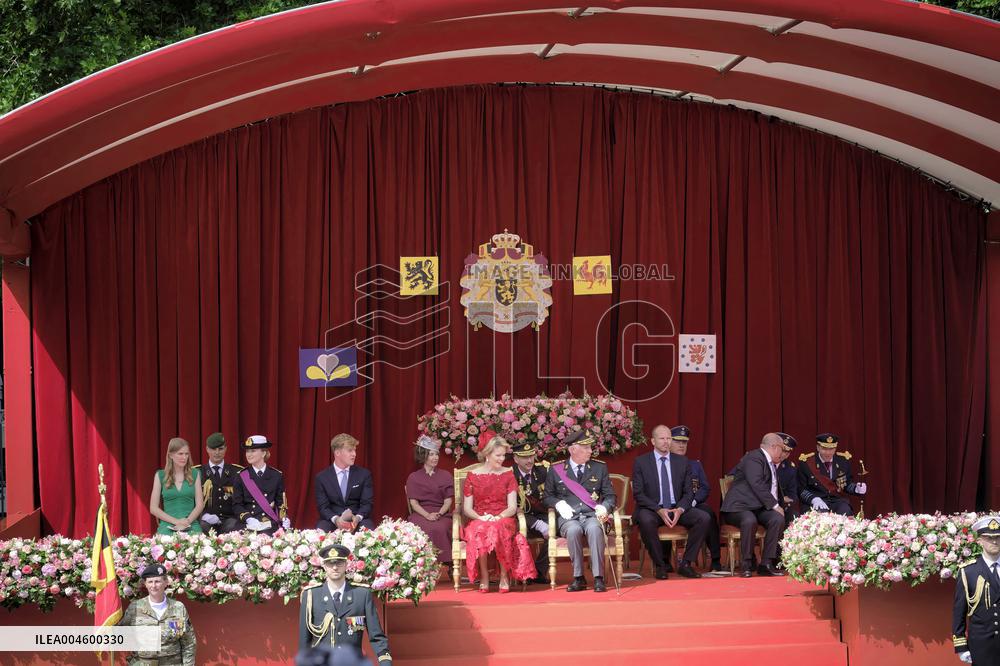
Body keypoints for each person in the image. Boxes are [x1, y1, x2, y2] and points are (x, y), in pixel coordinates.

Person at [631, 425, 710, 580]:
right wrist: (658, 510)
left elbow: (689, 492)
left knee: (703, 517)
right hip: (652, 508)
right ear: (653, 441)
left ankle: (686, 564)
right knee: (645, 520)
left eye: (669, 438)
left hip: (676, 508)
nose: (666, 442)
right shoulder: (641, 462)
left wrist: (680, 509)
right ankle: (661, 565)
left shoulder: (682, 461)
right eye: (662, 438)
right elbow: (638, 494)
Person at [462, 430, 537, 592]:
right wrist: (481, 517)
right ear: (487, 454)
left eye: (503, 455)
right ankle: (484, 576)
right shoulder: (472, 475)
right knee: (480, 529)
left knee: (499, 528)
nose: (502, 459)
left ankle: (504, 575)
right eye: (498, 455)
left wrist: (499, 516)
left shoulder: (508, 474)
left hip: (504, 517)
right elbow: (467, 508)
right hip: (479, 517)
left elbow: (512, 506)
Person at [544, 429, 616, 593]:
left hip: (592, 514)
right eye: (586, 447)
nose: (590, 451)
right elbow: (547, 497)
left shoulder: (599, 468)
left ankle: (598, 578)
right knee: (574, 530)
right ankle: (578, 578)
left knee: (594, 528)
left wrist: (604, 507)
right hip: (569, 518)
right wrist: (558, 503)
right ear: (573, 449)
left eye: (590, 447)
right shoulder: (556, 469)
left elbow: (610, 495)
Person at [299, 544, 392, 664]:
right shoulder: (311, 596)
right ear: (324, 566)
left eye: (339, 563)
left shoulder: (361, 595)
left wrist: (385, 662)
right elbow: (304, 641)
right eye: (330, 564)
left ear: (346, 565)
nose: (335, 567)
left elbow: (377, 636)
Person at [720, 432, 792, 577]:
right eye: (782, 449)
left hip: (758, 507)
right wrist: (775, 505)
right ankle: (746, 564)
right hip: (738, 507)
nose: (783, 453)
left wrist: (779, 505)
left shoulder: (770, 462)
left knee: (777, 519)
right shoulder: (754, 457)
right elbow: (756, 483)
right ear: (774, 447)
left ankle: (766, 563)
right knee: (749, 520)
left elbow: (772, 487)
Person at [664, 425, 724, 573]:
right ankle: (664, 560)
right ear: (669, 443)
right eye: (678, 441)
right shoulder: (663, 464)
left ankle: (715, 559)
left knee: (708, 513)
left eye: (684, 442)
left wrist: (692, 501)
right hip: (671, 506)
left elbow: (705, 488)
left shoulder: (695, 465)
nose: (681, 445)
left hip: (693, 505)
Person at [118, 563, 196, 665]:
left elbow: (188, 643)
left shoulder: (178, 608)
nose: (153, 586)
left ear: (165, 582)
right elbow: (121, 633)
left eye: (158, 581)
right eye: (150, 582)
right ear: (145, 584)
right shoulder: (135, 608)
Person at [952, 515, 1000, 664]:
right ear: (979, 541)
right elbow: (959, 612)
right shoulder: (968, 571)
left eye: (998, 537)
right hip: (981, 646)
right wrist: (961, 646)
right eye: (988, 537)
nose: (994, 541)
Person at [405, 435, 453, 566]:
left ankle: (444, 562)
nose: (435, 458)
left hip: (441, 513)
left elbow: (448, 501)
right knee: (424, 527)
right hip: (421, 513)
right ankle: (423, 564)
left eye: (436, 454)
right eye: (431, 454)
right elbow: (413, 503)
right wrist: (427, 515)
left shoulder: (446, 475)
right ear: (424, 456)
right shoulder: (413, 477)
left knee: (440, 527)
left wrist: (439, 514)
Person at [316, 434, 375, 532]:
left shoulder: (364, 474)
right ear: (337, 452)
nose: (354, 454)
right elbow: (323, 507)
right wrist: (337, 520)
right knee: (321, 530)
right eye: (350, 450)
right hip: (333, 520)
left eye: (355, 450)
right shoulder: (322, 477)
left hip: (358, 519)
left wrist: (357, 518)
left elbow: (367, 504)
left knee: (368, 530)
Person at [232, 435, 290, 535]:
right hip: (248, 523)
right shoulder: (241, 476)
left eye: (253, 451)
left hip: (269, 523)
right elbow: (237, 505)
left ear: (263, 453)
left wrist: (284, 518)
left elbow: (280, 503)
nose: (248, 454)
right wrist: (249, 518)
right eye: (247, 451)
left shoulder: (276, 475)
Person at [797, 433, 866, 516]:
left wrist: (856, 488)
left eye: (831, 449)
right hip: (817, 500)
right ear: (818, 447)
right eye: (824, 449)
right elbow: (801, 489)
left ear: (835, 448)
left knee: (845, 511)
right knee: (822, 516)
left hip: (837, 500)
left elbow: (846, 484)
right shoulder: (807, 462)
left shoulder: (843, 461)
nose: (828, 453)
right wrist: (813, 499)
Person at [511, 440, 550, 584]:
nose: (529, 460)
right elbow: (510, 507)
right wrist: (538, 524)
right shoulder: (509, 474)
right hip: (520, 518)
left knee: (556, 527)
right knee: (517, 530)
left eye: (531, 456)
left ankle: (539, 571)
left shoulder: (543, 471)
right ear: (516, 459)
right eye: (524, 457)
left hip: (541, 513)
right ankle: (523, 573)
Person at [150, 437, 204, 535]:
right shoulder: (160, 475)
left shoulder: (195, 474)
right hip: (167, 525)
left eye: (186, 454)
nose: (184, 457)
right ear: (170, 455)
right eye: (180, 454)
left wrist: (187, 522)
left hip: (190, 524)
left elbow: (200, 505)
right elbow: (153, 508)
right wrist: (176, 521)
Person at [197, 432, 244, 534]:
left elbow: (241, 500)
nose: (217, 452)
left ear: (226, 449)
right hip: (205, 521)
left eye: (220, 449)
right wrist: (203, 515)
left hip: (229, 519)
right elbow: (191, 501)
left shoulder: (236, 472)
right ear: (207, 449)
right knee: (201, 526)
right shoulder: (198, 472)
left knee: (235, 526)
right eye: (213, 449)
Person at [775, 432, 801, 527]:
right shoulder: (759, 461)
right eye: (782, 450)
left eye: (788, 452)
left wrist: (786, 501)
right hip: (763, 504)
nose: (784, 454)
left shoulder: (790, 468)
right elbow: (733, 476)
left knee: (795, 517)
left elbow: (793, 495)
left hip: (782, 506)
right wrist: (781, 499)